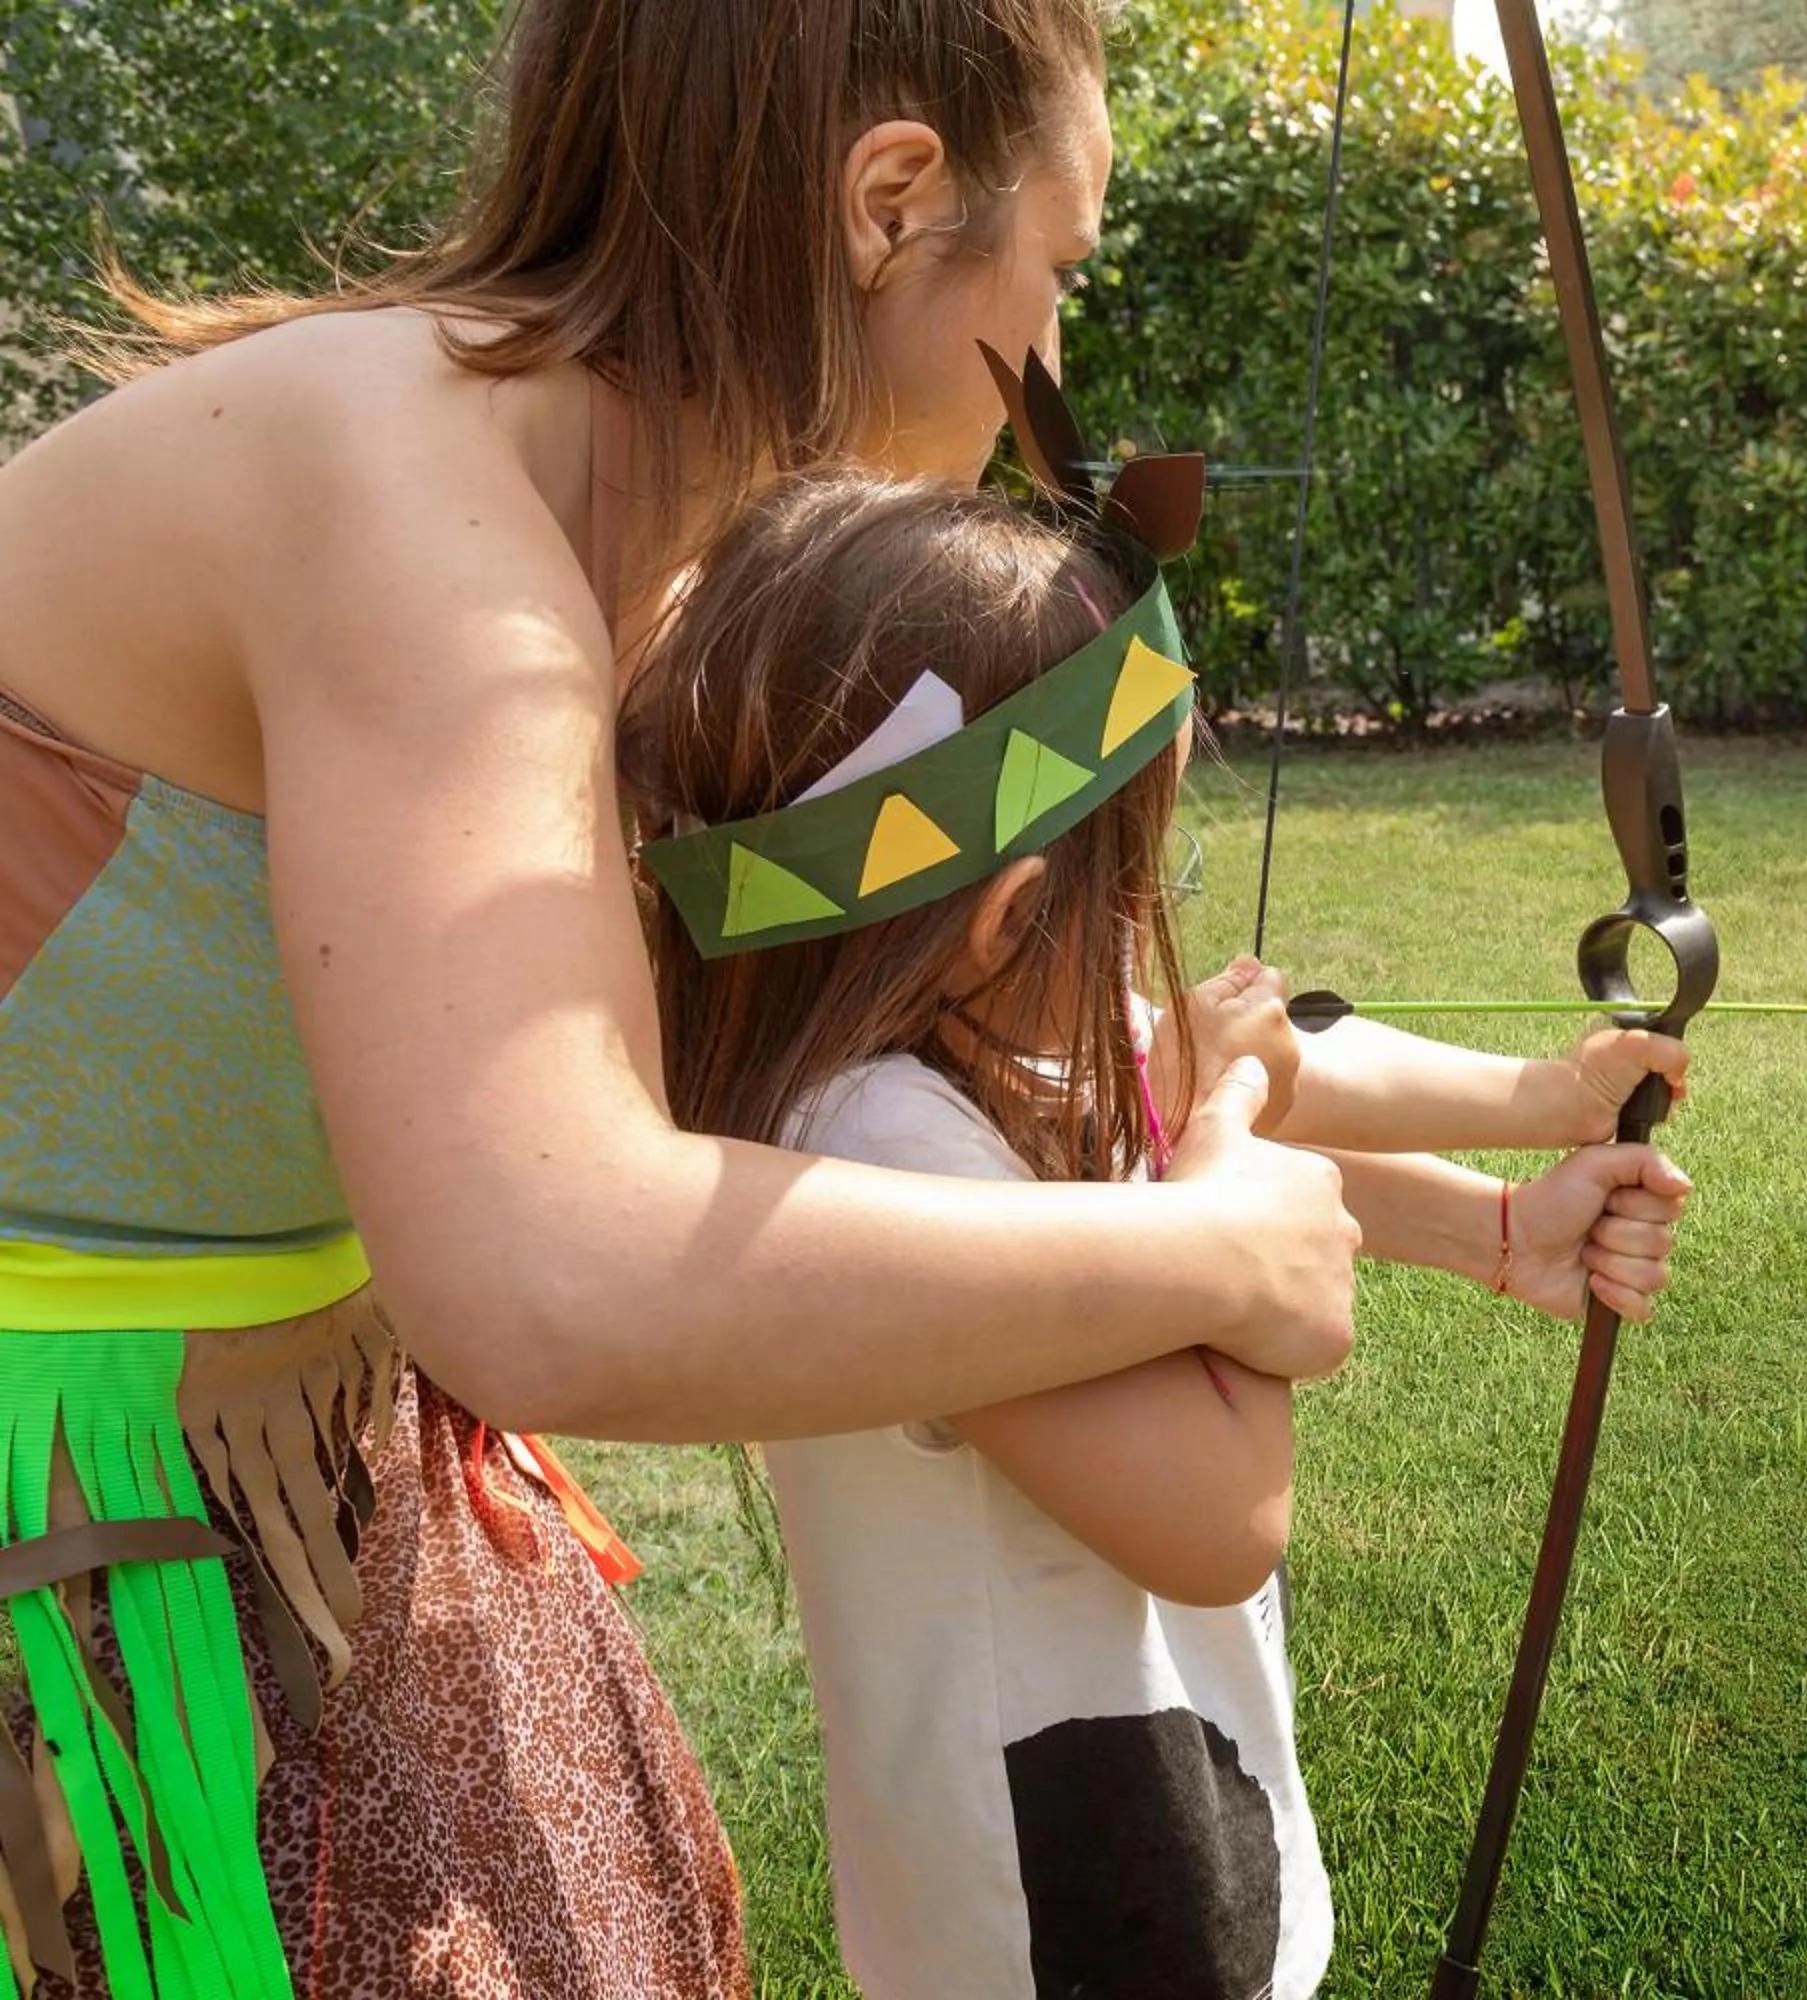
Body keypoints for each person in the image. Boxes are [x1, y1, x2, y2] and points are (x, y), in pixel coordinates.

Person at [0, 0, 1688, 1992]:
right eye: (1058, 273)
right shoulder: (410, 513)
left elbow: (1002, 1074)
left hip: (280, 1449)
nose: (1053, 364)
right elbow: (554, 1272)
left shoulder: (654, 585)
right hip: (78, 1520)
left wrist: (1473, 1215)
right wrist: (1217, 1255)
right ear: (891, 201)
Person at [618, 465, 1683, 2000]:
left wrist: (1524, 1167)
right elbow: (1212, 1518)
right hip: (1072, 1894)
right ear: (1006, 918)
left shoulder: (955, 1031)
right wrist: (1224, 1156)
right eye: (1147, 876)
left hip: (1142, 1798)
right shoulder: (888, 1150)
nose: (1158, 927)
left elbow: (1234, 1066)